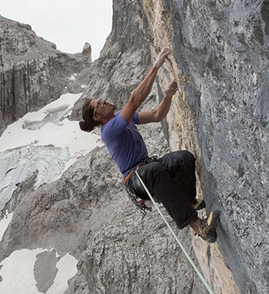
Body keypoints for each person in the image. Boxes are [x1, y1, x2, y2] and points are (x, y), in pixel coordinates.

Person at [79, 47, 221, 242]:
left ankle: (188, 202)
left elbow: (156, 115)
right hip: (136, 178)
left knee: (183, 159)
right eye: (100, 103)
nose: (104, 101)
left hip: (147, 168)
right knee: (155, 170)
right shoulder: (109, 130)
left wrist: (168, 95)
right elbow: (135, 100)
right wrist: (155, 67)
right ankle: (199, 227)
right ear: (97, 116)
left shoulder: (122, 117)